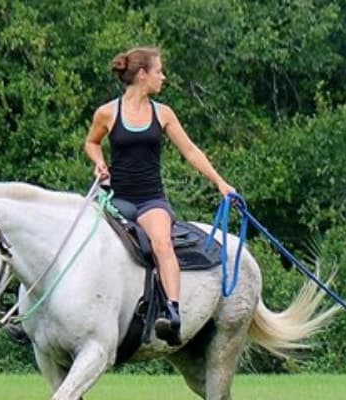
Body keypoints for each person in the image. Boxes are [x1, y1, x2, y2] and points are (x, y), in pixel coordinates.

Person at [83, 47, 236, 344]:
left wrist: (220, 182)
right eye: (159, 72)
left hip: (150, 199)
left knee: (162, 243)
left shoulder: (163, 113)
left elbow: (190, 151)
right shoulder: (107, 112)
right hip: (116, 199)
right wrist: (99, 162)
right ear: (143, 75)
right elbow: (92, 142)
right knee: (80, 239)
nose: (163, 77)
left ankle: (173, 314)